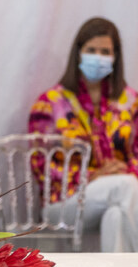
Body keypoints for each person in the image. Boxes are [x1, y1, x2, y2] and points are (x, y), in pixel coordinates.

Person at [28, 17, 138, 252]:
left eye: (105, 51)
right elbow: (42, 167)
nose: (98, 57)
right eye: (91, 50)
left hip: (120, 195)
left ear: (115, 56)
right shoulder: (50, 104)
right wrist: (95, 175)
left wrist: (122, 171)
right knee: (126, 186)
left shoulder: (131, 102)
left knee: (117, 214)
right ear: (78, 53)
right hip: (63, 200)